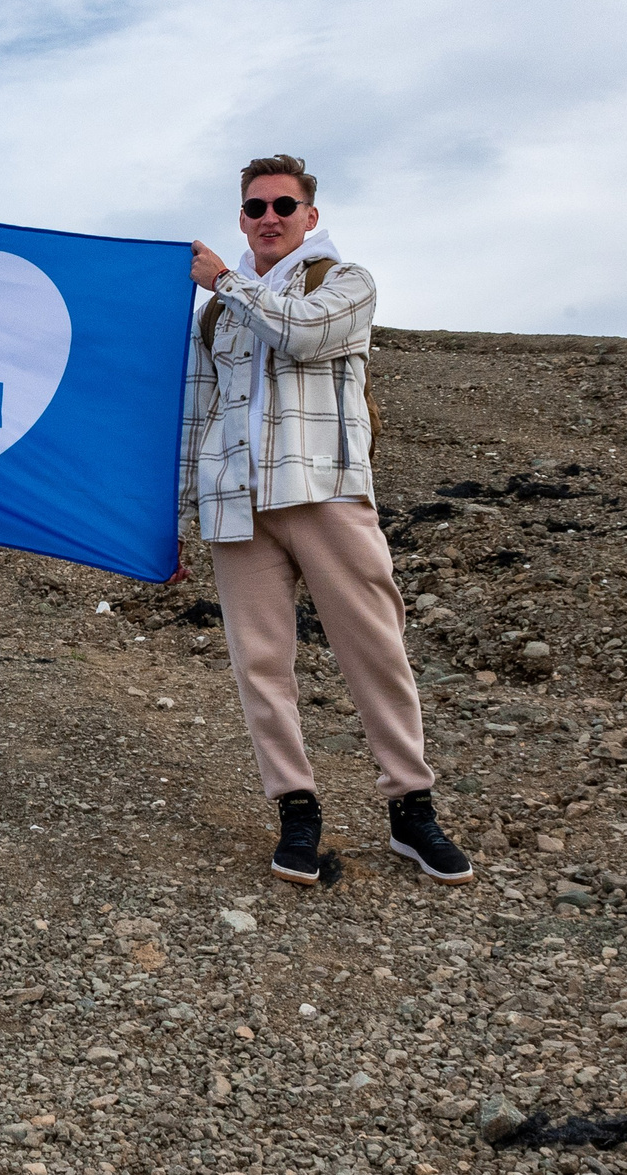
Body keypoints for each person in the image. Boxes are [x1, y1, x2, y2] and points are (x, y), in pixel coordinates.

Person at [178, 154, 472, 888]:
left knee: (375, 648)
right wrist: (175, 513)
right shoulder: (214, 313)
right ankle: (296, 809)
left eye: (283, 204)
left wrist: (224, 279)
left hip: (326, 491)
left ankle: (412, 806)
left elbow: (304, 334)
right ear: (242, 219)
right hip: (236, 501)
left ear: (310, 215)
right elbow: (192, 414)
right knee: (261, 663)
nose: (268, 217)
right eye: (254, 208)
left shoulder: (342, 281)